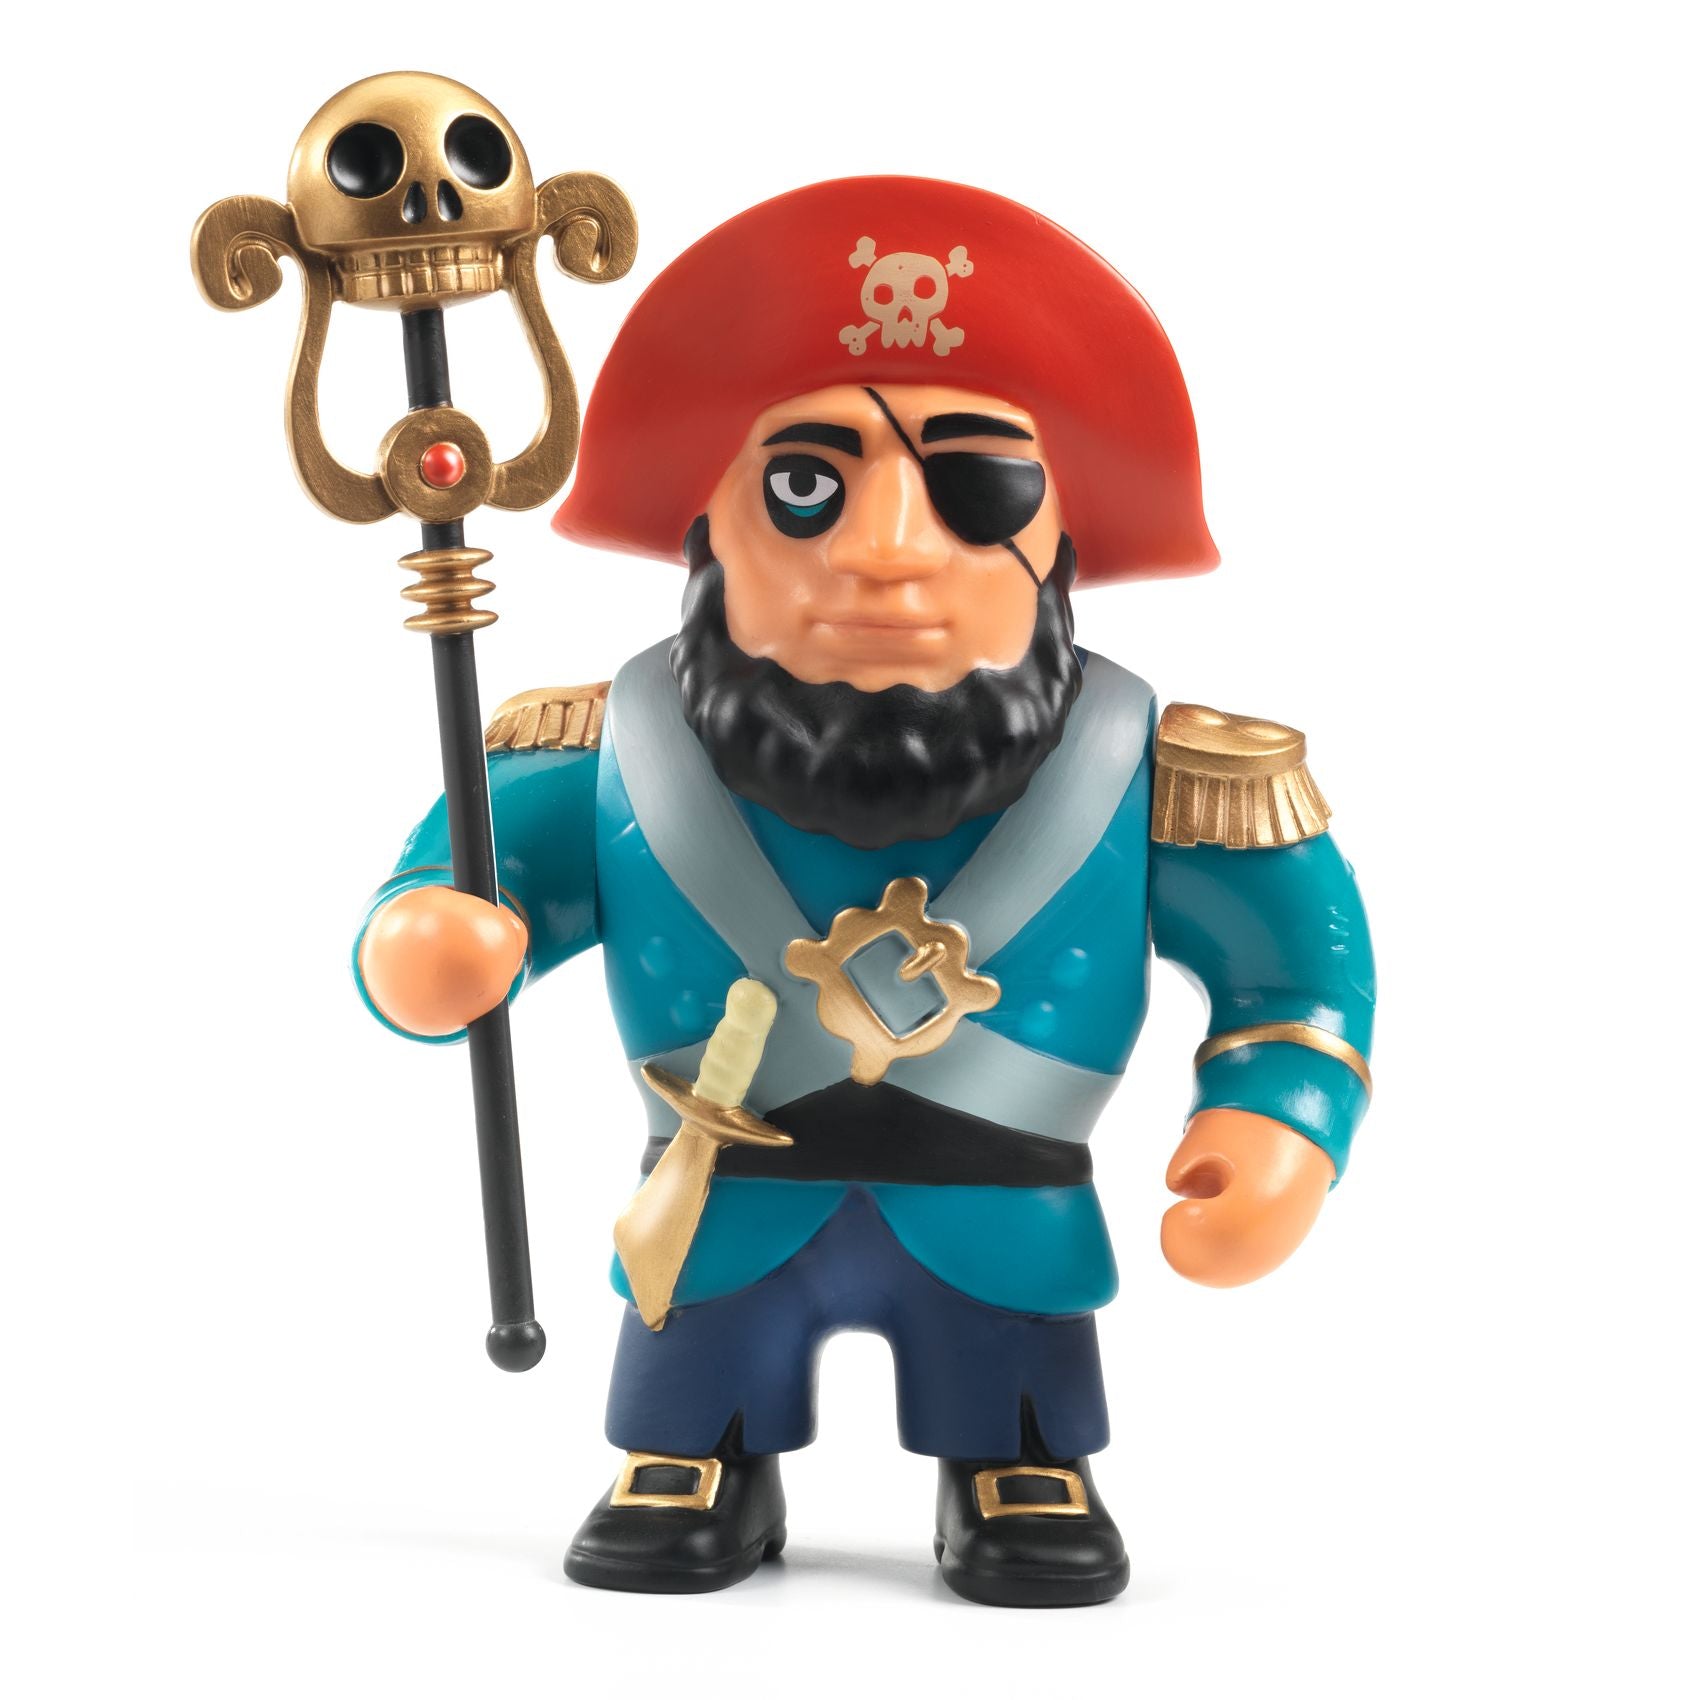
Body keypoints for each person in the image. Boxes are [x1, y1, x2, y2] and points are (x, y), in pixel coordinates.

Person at [354, 177, 1376, 1607]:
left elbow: (1293, 976)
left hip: (1003, 1199)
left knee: (1008, 1356)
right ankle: (693, 1455)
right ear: (710, 525)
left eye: (977, 489)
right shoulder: (601, 750)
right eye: (806, 486)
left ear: (1059, 538)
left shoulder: (1157, 769)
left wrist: (1279, 1130)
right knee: (701, 1343)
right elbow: (464, 888)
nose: (887, 550)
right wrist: (434, 948)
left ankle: (1018, 1461)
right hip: (718, 1190)